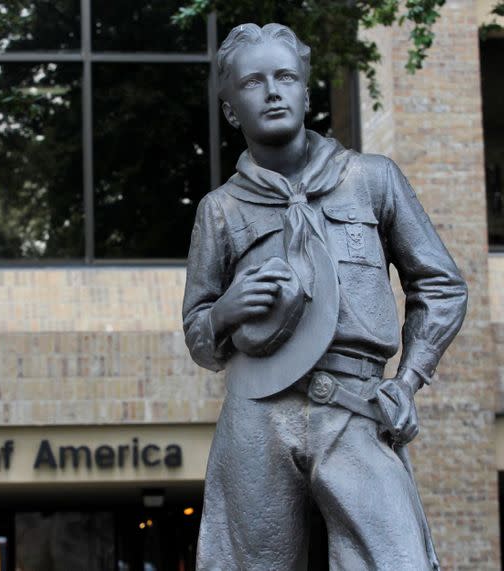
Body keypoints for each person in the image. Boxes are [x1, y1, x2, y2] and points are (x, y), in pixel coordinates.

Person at [182, 23, 468, 570]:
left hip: (355, 404)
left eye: (286, 77)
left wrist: (408, 382)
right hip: (257, 411)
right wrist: (224, 311)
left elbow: (441, 285)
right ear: (231, 111)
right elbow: (199, 336)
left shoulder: (372, 179)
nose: (272, 91)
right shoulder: (219, 210)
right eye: (253, 82)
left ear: (306, 94)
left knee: (397, 559)